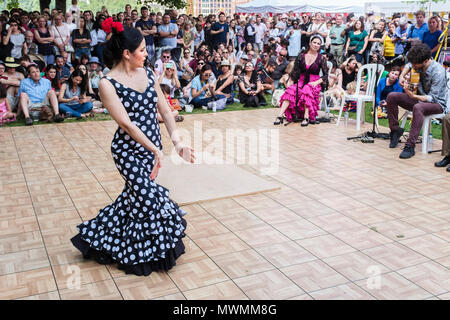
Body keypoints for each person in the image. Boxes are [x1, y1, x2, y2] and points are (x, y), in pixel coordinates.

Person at [71, 25, 194, 276]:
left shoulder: (148, 73)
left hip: (152, 150)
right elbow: (126, 124)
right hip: (127, 152)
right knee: (148, 198)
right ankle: (142, 254)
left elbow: (165, 110)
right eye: (141, 50)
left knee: (134, 201)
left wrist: (177, 142)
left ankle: (98, 239)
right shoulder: (107, 83)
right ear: (126, 53)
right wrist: (155, 150)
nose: (146, 54)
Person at [386, 43, 447, 159]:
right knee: (392, 96)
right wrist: (402, 76)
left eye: (415, 64)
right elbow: (409, 64)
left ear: (425, 61)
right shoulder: (417, 63)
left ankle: (410, 145)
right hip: (418, 98)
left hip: (436, 103)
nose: (413, 66)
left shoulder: (438, 72)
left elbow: (432, 98)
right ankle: (395, 131)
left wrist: (413, 97)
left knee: (418, 107)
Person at [274, 36, 328, 126]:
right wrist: (291, 81)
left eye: (318, 44)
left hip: (314, 82)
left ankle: (306, 117)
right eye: (314, 42)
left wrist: (316, 82)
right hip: (301, 81)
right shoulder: (302, 56)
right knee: (290, 90)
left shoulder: (321, 58)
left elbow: (326, 75)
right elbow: (295, 70)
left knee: (307, 89)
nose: (316, 45)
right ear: (310, 43)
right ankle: (279, 116)